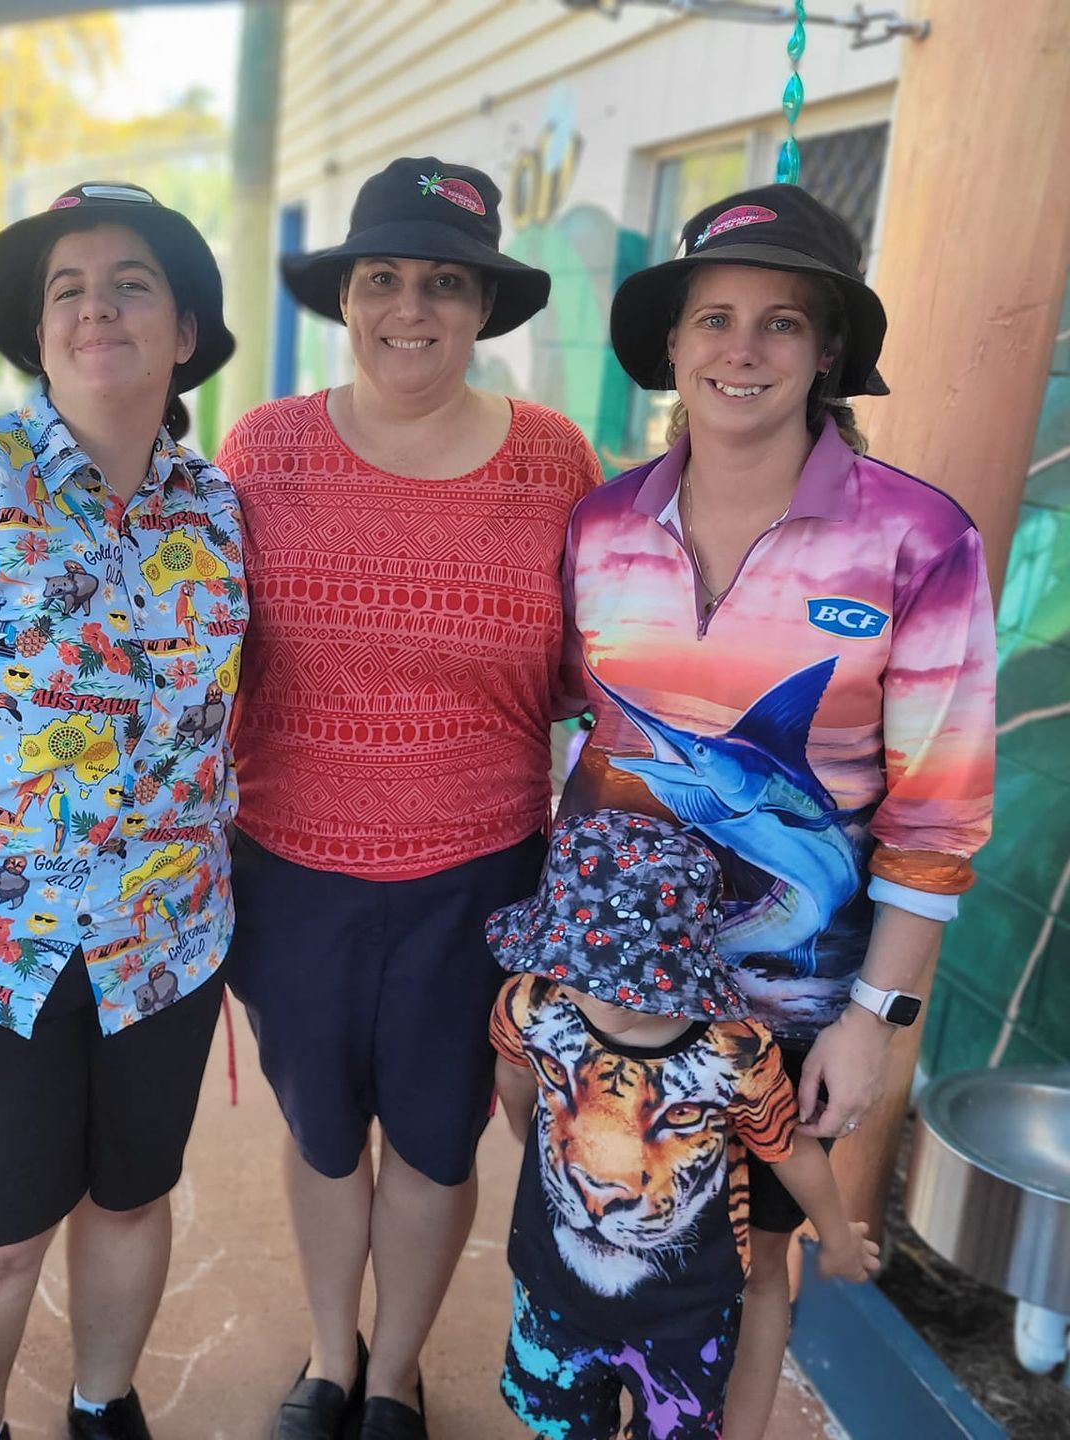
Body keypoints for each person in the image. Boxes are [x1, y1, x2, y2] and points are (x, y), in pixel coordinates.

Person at [560, 184, 997, 1438]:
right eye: (712, 319)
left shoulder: (916, 540)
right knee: (607, 1239)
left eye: (781, 323)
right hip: (611, 986)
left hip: (792, 1005)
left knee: (752, 1264)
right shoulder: (601, 522)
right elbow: (587, 732)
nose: (740, 350)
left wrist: (875, 1017)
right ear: (671, 347)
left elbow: (940, 808)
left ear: (828, 353)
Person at [0, 182, 242, 1440]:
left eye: (130, 283)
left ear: (184, 330)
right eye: (66, 288)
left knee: (130, 1200)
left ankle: (102, 1406)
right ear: (37, 331)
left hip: (165, 945)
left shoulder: (221, 511)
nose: (94, 308)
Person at [217, 156, 602, 1440]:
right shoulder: (263, 449)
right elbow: (200, 647)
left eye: (446, 282)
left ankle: (396, 1374)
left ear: (485, 302)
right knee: (326, 1133)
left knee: (440, 1143)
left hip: (481, 876)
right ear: (348, 295)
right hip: (294, 866)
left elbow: (587, 671)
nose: (411, 309)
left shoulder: (556, 464)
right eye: (383, 278)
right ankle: (332, 1358)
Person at [486, 810, 881, 1440]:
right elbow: (514, 1077)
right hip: (551, 1291)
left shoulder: (733, 1053)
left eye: (600, 976)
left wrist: (833, 1235)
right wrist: (529, 1139)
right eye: (565, 963)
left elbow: (790, 1151)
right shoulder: (533, 1002)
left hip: (686, 1317)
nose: (575, 985)